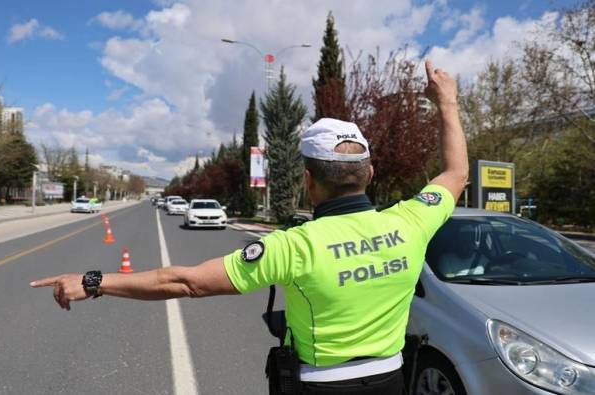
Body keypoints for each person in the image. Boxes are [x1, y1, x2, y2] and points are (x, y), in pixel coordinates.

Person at [31, 59, 468, 394]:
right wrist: (446, 100)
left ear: (308, 179)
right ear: (369, 175)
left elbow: (184, 282)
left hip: (317, 385)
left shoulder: (294, 246)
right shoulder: (412, 221)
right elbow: (455, 174)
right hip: (391, 380)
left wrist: (93, 281)